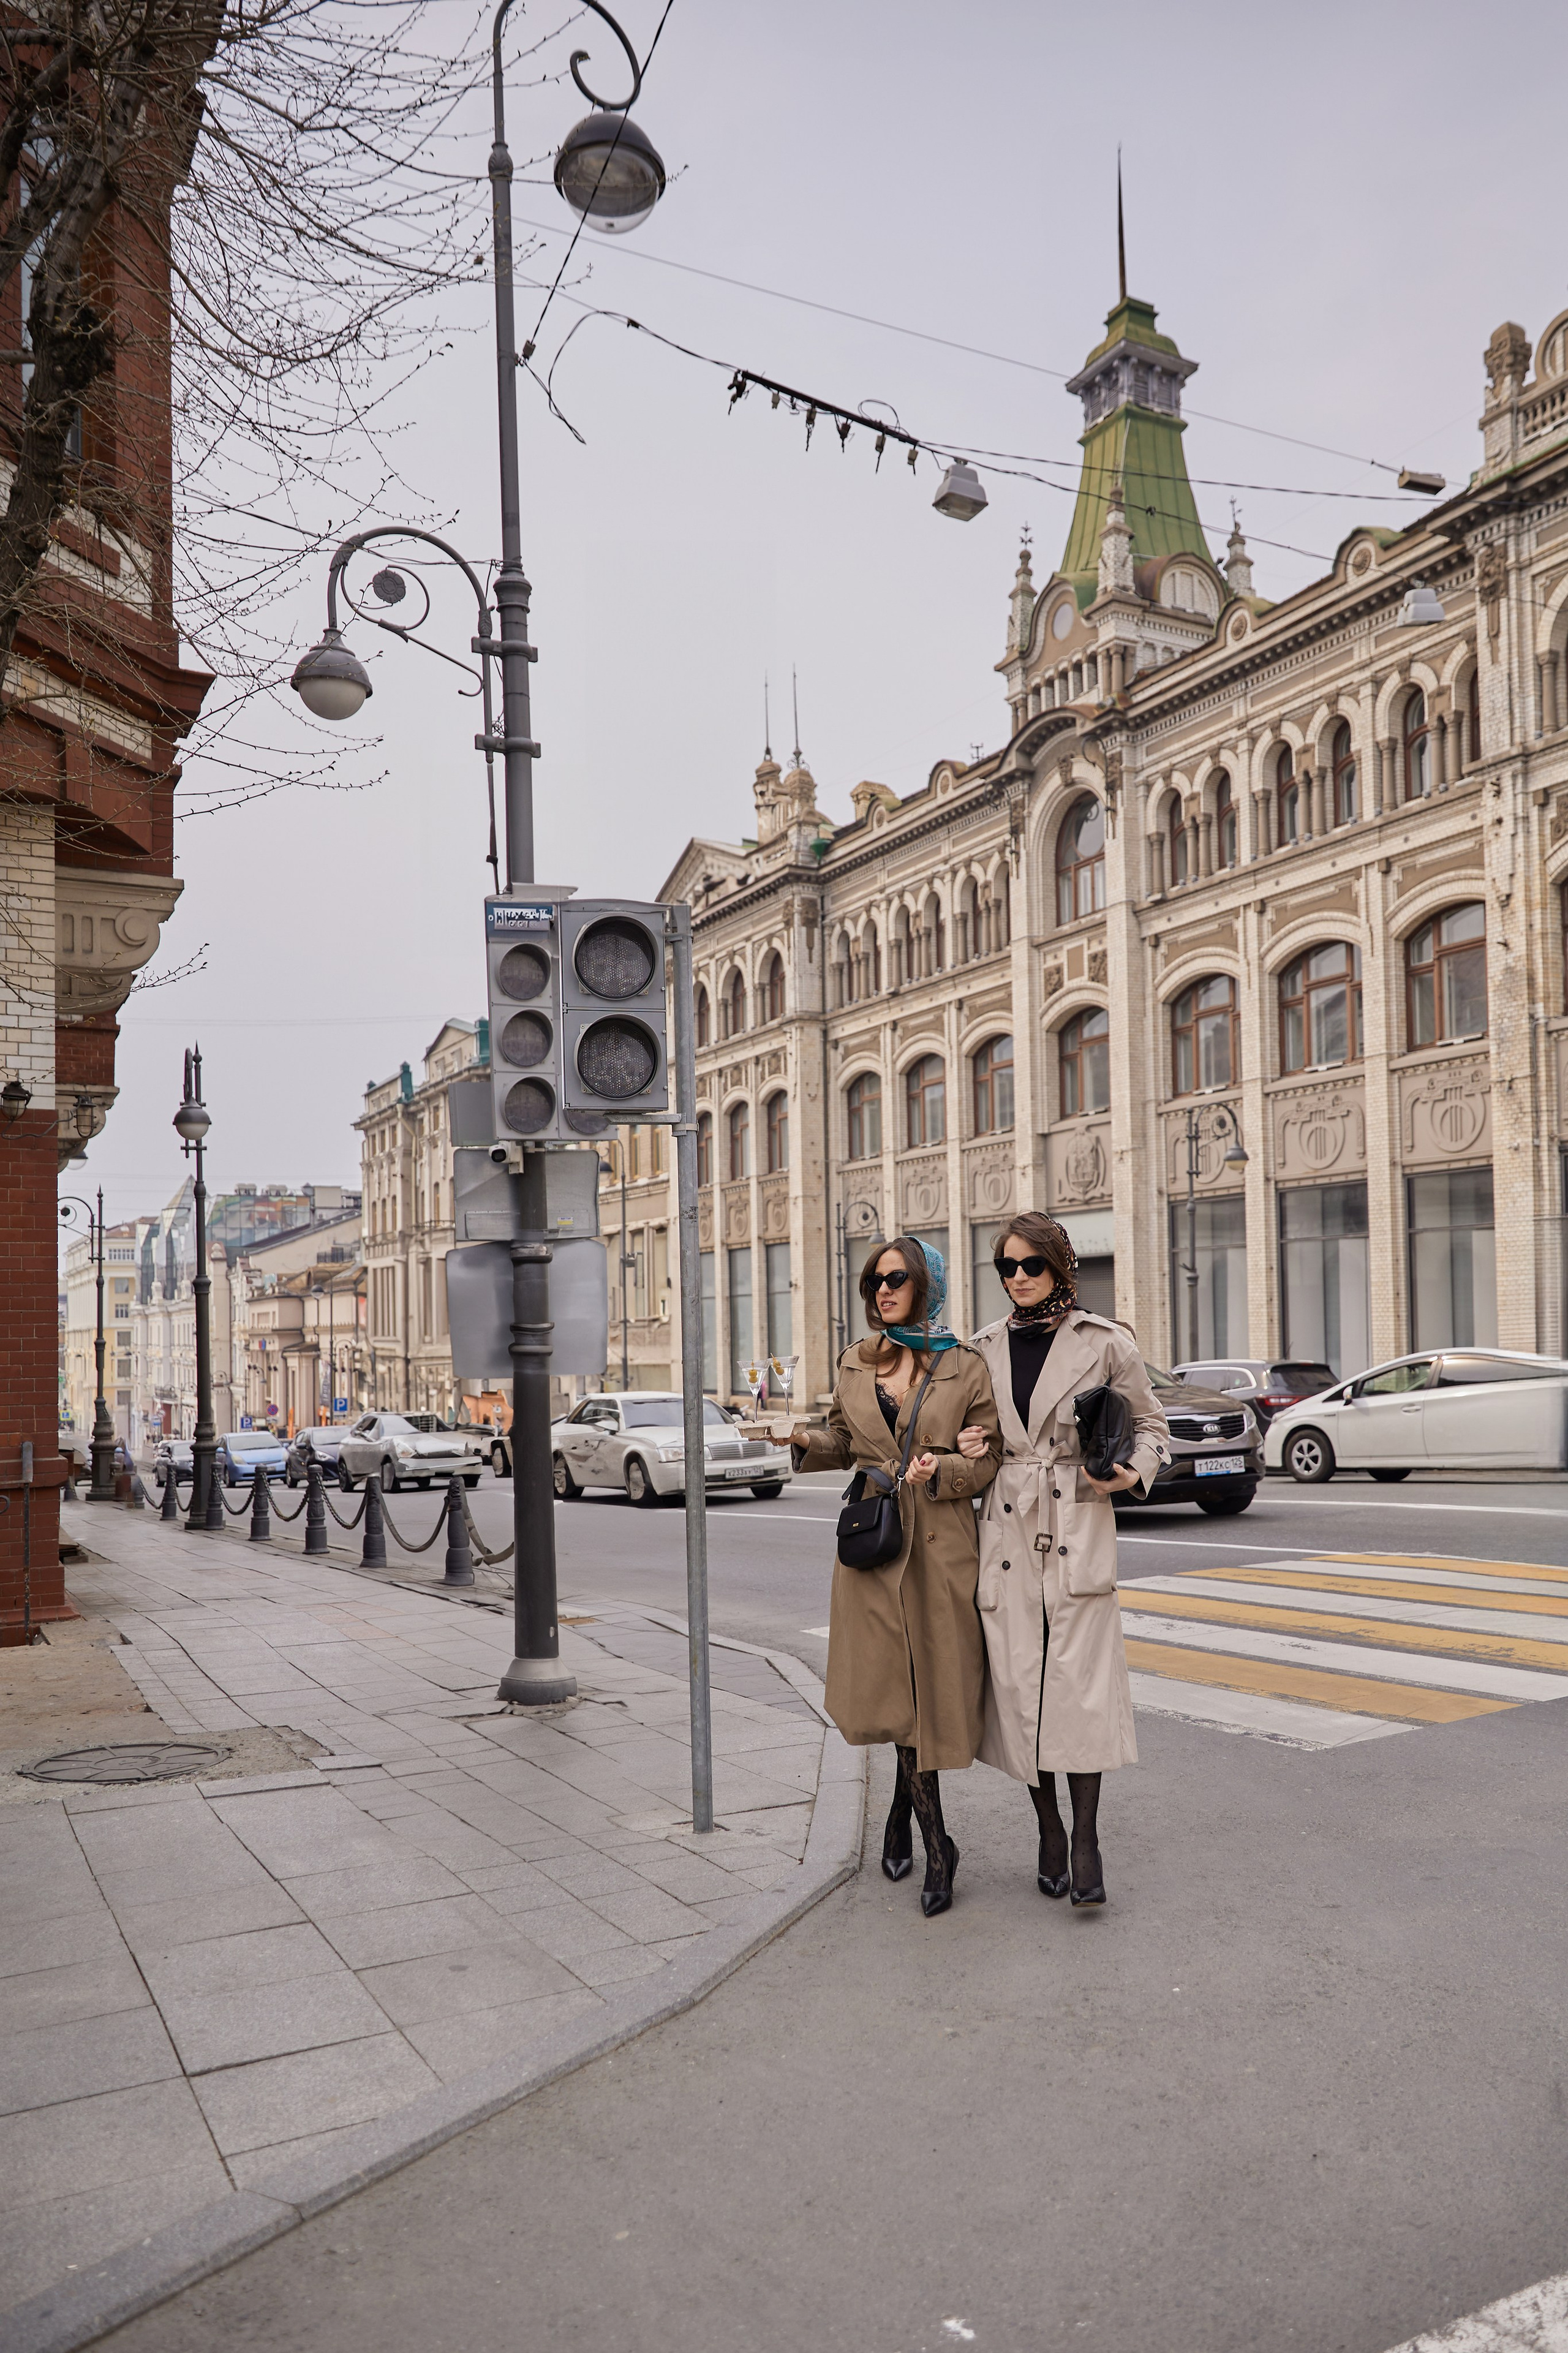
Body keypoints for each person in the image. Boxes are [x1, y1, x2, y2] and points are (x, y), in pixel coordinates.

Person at [778, 1237, 1000, 1917]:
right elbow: (845, 1439)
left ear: (925, 1283)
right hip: (875, 1544)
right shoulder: (857, 1360)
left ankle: (907, 1819)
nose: (882, 1289)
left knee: (927, 1690)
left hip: (939, 1544)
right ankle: (939, 1846)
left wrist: (949, 1471)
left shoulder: (964, 1365)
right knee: (892, 1691)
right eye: (874, 1279)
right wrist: (799, 1438)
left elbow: (987, 1461)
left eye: (895, 1277)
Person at [961, 1212, 1170, 1908]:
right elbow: (980, 1440)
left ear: (1059, 1267)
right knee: (1023, 1692)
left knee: (1078, 1693)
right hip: (1007, 1531)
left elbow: (1151, 1427)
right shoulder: (981, 1348)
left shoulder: (1105, 1341)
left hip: (1077, 1519)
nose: (1019, 1279)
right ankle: (1046, 1826)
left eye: (1032, 1266)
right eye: (1007, 1268)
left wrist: (1128, 1473)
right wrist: (968, 1447)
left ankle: (1085, 1838)